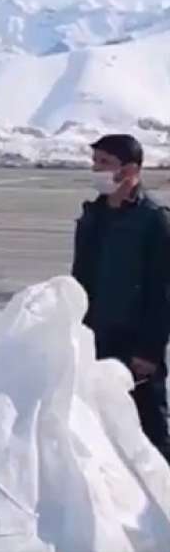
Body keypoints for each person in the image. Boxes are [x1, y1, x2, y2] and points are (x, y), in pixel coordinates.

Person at [71, 134, 170, 461]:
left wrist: (150, 350)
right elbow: (80, 278)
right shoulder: (92, 216)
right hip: (95, 338)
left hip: (135, 345)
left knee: (149, 432)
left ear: (129, 170)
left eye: (104, 162)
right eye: (95, 161)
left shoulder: (153, 220)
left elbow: (162, 291)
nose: (96, 169)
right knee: (98, 429)